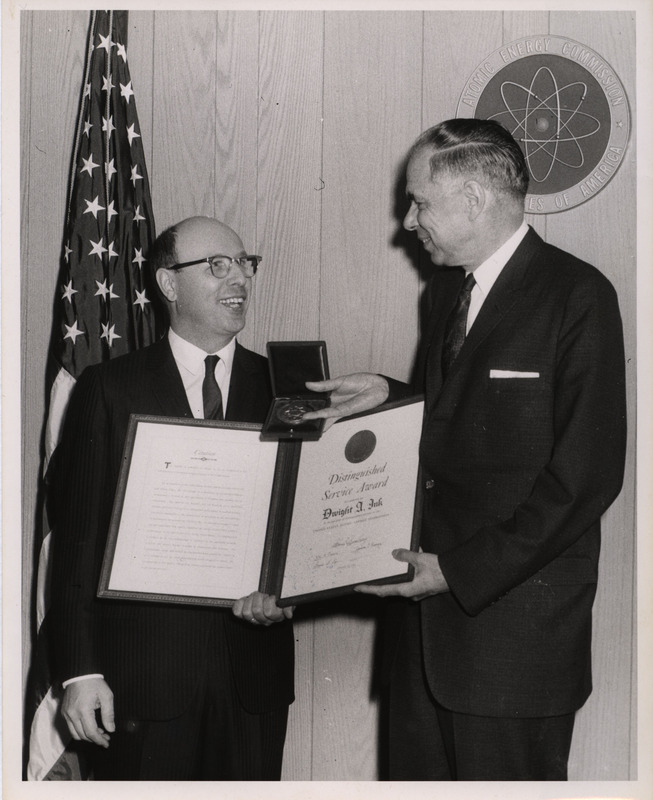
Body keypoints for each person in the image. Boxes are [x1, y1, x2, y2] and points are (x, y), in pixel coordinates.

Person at [304, 119, 627, 780]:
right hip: (422, 638)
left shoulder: (577, 295)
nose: (407, 221)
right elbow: (469, 419)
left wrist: (457, 572)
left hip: (511, 644)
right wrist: (391, 394)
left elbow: (585, 477)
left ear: (474, 200)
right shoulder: (447, 294)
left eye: (419, 201)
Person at [50, 216, 295, 780]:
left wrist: (294, 591)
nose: (239, 278)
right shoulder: (109, 389)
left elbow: (303, 525)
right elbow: (77, 543)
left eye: (245, 263)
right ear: (167, 284)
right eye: (218, 265)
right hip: (142, 682)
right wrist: (80, 671)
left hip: (253, 679)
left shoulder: (283, 389)